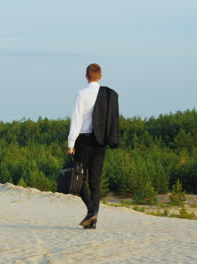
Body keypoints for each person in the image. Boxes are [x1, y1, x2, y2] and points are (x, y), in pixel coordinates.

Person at [67, 63, 119, 229]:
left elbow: (77, 120)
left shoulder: (82, 94)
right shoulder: (108, 95)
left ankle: (91, 210)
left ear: (86, 76)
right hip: (100, 142)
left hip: (83, 140)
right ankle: (92, 220)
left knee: (78, 178)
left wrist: (70, 143)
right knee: (95, 182)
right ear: (100, 76)